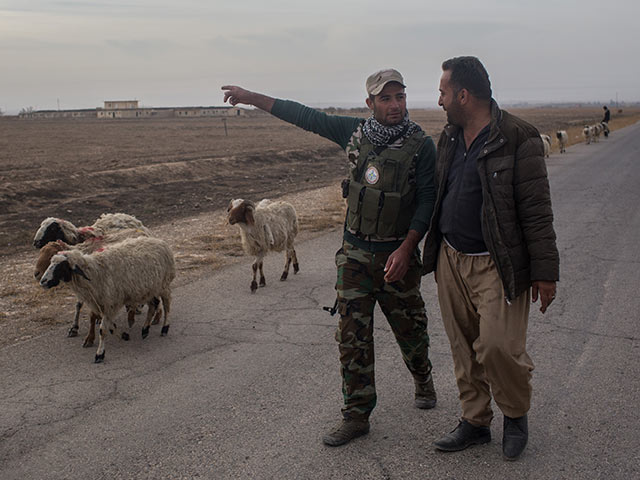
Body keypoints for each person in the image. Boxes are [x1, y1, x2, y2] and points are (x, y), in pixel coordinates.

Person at [222, 68, 437, 447]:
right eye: (385, 98)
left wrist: (407, 248)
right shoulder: (355, 134)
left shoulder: (421, 146)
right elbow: (304, 115)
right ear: (370, 103)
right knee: (352, 337)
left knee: (411, 331)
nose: (395, 105)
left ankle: (422, 377)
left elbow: (427, 202)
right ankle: (356, 415)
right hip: (354, 255)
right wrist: (252, 97)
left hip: (396, 256)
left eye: (400, 97)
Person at [422, 56, 559, 460]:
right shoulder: (448, 136)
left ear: (463, 95)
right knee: (463, 347)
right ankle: (475, 421)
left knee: (499, 347)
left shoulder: (518, 136)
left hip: (496, 264)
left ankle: (515, 415)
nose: (440, 100)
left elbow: (536, 210)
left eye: (443, 92)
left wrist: (545, 273)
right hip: (451, 257)